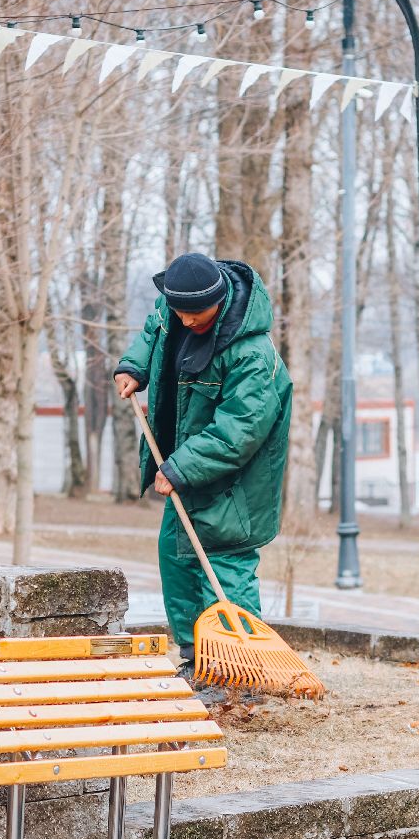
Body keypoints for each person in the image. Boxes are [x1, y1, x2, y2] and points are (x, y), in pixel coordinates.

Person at [114, 252, 292, 667]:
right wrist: (133, 366)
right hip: (186, 469)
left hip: (234, 484)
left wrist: (180, 468)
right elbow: (156, 328)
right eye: (181, 311)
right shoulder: (174, 309)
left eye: (197, 312)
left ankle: (239, 669)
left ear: (220, 299)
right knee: (177, 557)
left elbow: (240, 429)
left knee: (225, 565)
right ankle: (197, 658)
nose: (188, 320)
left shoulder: (252, 355)